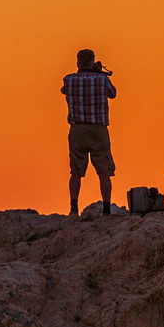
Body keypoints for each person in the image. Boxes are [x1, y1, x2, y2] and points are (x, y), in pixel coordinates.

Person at [61, 48, 117, 216]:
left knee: (76, 170)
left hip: (77, 128)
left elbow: (64, 90)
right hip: (98, 128)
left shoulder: (69, 80)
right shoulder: (101, 79)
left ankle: (73, 208)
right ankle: (106, 209)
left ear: (78, 62)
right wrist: (99, 72)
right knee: (104, 170)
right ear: (93, 62)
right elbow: (113, 94)